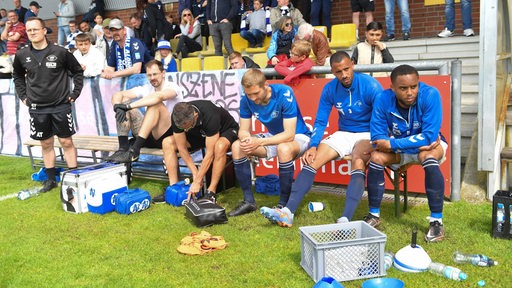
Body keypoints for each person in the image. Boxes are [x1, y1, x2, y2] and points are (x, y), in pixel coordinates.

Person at [259, 51, 382, 227]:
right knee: (313, 159)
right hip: (344, 133)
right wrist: (313, 145)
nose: (344, 75)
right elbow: (321, 120)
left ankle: (345, 220)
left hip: (368, 133)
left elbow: (381, 118)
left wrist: (376, 141)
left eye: (347, 69)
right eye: (339, 71)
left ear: (353, 65)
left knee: (358, 161)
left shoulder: (370, 85)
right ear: (332, 71)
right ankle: (287, 212)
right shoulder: (330, 88)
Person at [367, 64, 448, 243]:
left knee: (428, 156)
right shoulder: (382, 98)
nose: (410, 92)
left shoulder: (430, 94)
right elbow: (377, 137)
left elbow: (429, 137)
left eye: (414, 87)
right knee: (376, 157)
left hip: (426, 149)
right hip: (404, 148)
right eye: (403, 88)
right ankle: (374, 215)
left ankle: (436, 221)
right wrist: (394, 144)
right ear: (393, 88)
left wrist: (393, 143)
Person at [12, 17, 83, 193]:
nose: (32, 33)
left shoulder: (61, 52)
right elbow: (18, 77)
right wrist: (23, 97)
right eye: (29, 30)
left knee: (66, 141)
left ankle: (74, 176)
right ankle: (51, 180)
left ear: (44, 31)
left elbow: (78, 71)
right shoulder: (21, 55)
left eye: (35, 29)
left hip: (61, 105)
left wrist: (74, 94)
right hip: (37, 108)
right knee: (46, 143)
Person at [228, 68, 312, 217]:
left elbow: (289, 134)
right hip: (273, 136)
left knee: (283, 149)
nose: (253, 98)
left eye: (256, 93)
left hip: (298, 136)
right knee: (237, 147)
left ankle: (284, 204)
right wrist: (246, 139)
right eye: (249, 94)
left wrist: (259, 142)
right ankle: (249, 201)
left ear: (266, 85)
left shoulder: (284, 93)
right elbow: (243, 129)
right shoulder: (245, 100)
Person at [105, 60, 184, 189]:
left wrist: (127, 106)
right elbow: (118, 94)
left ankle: (135, 149)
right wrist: (118, 107)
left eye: (155, 74)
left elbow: (159, 97)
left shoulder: (173, 87)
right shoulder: (146, 88)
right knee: (124, 105)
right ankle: (123, 149)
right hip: (149, 134)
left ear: (163, 73)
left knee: (154, 104)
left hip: (168, 135)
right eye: (149, 75)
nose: (152, 78)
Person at [170, 101, 240, 203]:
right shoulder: (177, 117)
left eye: (188, 127)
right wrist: (195, 173)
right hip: (201, 135)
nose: (185, 130)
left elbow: (210, 153)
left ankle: (211, 192)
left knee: (219, 147)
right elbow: (182, 148)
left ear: (195, 115)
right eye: (182, 128)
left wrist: (198, 181)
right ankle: (173, 187)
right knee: (168, 142)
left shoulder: (210, 114)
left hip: (226, 130)